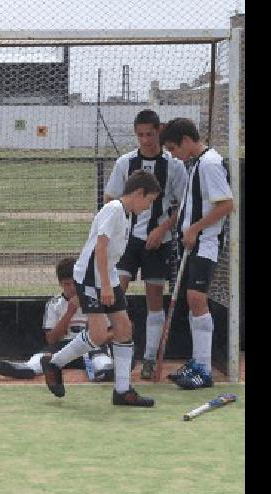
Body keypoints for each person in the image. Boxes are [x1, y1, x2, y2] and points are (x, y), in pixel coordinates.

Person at [41, 170, 161, 407]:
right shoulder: (114, 209)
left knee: (123, 328)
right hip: (90, 277)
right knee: (97, 335)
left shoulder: (126, 215)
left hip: (108, 274)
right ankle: (54, 362)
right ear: (138, 193)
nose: (149, 207)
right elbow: (101, 247)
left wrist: (109, 280)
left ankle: (123, 390)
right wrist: (105, 285)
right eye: (149, 201)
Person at [102, 109, 189, 379]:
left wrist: (162, 228)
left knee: (154, 298)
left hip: (158, 241)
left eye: (150, 134)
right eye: (140, 135)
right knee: (117, 294)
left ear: (159, 131)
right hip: (127, 242)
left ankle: (150, 357)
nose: (145, 140)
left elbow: (183, 205)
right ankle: (116, 355)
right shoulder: (124, 162)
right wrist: (121, 230)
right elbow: (110, 198)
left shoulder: (173, 165)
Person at [159, 117, 235, 390]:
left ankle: (204, 370)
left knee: (197, 299)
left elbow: (226, 204)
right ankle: (198, 360)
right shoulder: (197, 163)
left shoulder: (211, 163)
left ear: (187, 141)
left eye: (173, 148)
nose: (172, 154)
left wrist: (195, 229)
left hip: (206, 243)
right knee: (193, 301)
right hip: (194, 244)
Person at [0, 257, 114, 382]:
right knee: (45, 356)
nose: (72, 288)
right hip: (63, 348)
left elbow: (112, 332)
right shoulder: (54, 304)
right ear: (60, 284)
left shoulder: (95, 301)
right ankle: (27, 368)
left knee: (99, 356)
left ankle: (105, 369)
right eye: (67, 284)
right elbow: (51, 339)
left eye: (75, 283)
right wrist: (69, 312)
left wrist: (96, 335)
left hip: (91, 346)